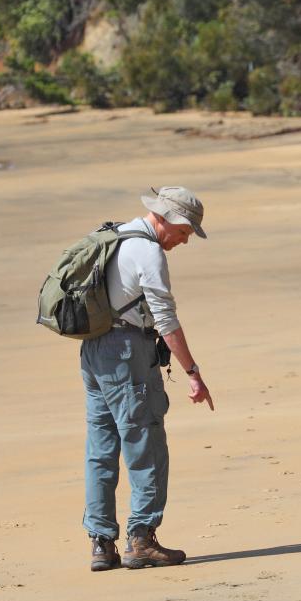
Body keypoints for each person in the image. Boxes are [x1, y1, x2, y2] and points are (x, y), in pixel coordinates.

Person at [82, 186, 214, 572]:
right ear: (169, 220)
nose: (183, 241)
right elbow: (166, 320)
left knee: (101, 448)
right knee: (146, 443)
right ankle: (141, 539)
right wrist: (193, 372)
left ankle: (101, 543)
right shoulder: (148, 251)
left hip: (93, 351)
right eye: (185, 232)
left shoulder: (113, 237)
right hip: (128, 353)